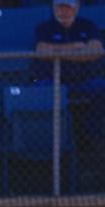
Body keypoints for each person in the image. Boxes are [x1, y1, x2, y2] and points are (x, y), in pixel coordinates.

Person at [33, 0, 105, 147]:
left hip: (84, 80)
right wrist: (76, 48)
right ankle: (50, 143)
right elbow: (41, 51)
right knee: (40, 90)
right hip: (52, 81)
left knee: (101, 87)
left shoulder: (88, 25)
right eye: (59, 8)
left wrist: (57, 52)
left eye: (67, 8)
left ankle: (93, 141)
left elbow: (95, 51)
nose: (63, 12)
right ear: (53, 8)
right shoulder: (44, 28)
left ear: (76, 8)